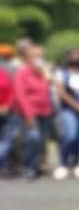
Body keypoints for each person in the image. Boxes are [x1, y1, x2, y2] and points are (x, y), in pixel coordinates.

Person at [10, 41, 52, 179]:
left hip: (44, 111)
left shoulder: (43, 72)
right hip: (29, 112)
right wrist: (28, 116)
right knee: (33, 138)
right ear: (28, 58)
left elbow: (49, 89)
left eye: (41, 57)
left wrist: (46, 73)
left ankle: (35, 166)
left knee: (41, 141)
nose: (39, 59)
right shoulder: (22, 72)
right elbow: (20, 96)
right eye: (36, 57)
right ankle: (27, 166)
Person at [54, 48, 79, 180]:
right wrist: (76, 105)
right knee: (70, 135)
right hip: (68, 109)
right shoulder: (61, 73)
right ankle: (63, 164)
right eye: (73, 56)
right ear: (68, 57)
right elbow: (61, 92)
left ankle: (77, 163)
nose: (76, 58)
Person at [0, 44, 13, 174]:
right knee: (6, 139)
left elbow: (10, 90)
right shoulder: (10, 68)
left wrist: (7, 105)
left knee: (6, 138)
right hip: (5, 109)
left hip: (5, 110)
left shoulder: (5, 71)